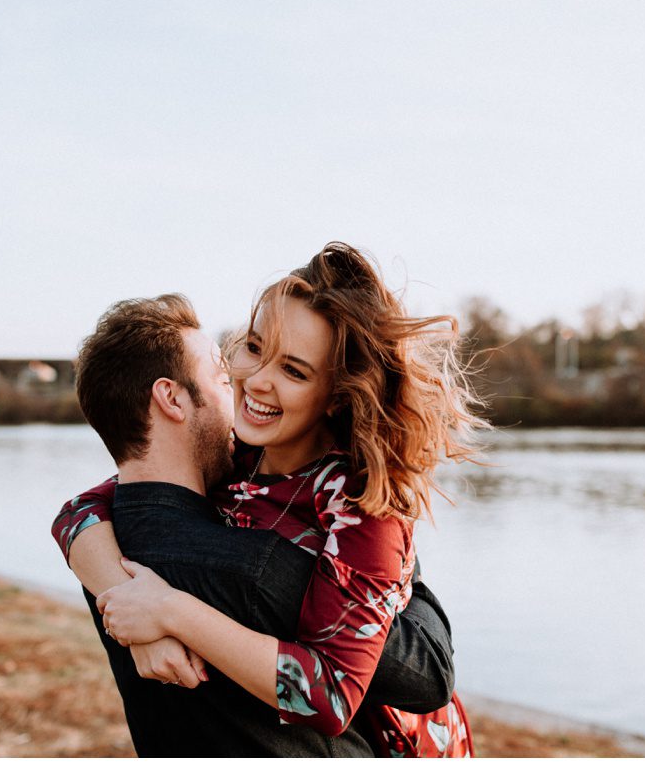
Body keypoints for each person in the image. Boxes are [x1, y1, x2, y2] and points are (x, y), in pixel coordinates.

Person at [85, 242, 489, 756]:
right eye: (255, 347)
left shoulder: (361, 506)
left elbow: (332, 696)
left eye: (294, 371)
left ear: (337, 393)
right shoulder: (241, 454)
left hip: (400, 746)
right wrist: (128, 611)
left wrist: (171, 612)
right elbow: (85, 509)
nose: (257, 379)